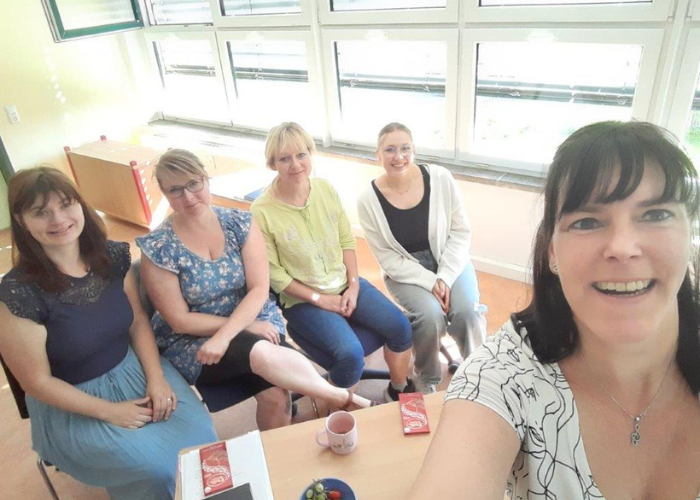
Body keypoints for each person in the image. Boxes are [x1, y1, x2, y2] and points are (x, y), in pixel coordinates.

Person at [408, 121, 700, 499]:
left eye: (656, 214)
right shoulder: (500, 377)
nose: (623, 247)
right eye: (587, 222)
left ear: (690, 234)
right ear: (552, 253)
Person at [0, 167, 217, 500]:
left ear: (80, 205)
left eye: (65, 205)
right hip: (75, 401)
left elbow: (137, 322)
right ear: (21, 220)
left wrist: (156, 378)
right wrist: (110, 411)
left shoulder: (110, 255)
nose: (58, 219)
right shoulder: (18, 293)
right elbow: (37, 383)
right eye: (41, 212)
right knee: (156, 467)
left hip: (134, 370)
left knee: (203, 436)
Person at [136, 149, 376, 428]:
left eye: (193, 184)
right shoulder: (159, 247)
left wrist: (239, 328)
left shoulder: (239, 223)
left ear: (206, 179)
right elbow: (180, 321)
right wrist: (239, 329)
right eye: (175, 190)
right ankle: (344, 398)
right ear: (165, 193)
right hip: (196, 340)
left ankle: (318, 416)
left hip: (254, 318)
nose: (188, 197)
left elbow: (260, 289)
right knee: (263, 354)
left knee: (278, 397)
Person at [250, 122, 414, 402]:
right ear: (272, 163)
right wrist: (320, 299)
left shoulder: (325, 189)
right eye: (284, 158)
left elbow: (346, 240)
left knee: (401, 327)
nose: (295, 164)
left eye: (301, 155)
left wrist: (353, 286)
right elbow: (274, 274)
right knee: (350, 355)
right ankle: (338, 412)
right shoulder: (261, 211)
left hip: (343, 284)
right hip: (302, 300)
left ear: (310, 154)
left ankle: (397, 389)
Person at [358, 122, 487, 394]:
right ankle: (426, 379)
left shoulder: (441, 178)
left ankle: (478, 371)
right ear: (378, 154)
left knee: (467, 312)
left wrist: (445, 277)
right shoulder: (367, 200)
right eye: (390, 150)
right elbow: (388, 258)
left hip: (450, 259)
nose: (399, 156)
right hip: (405, 271)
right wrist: (431, 282)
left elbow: (460, 232)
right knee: (429, 317)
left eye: (405, 148)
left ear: (414, 150)